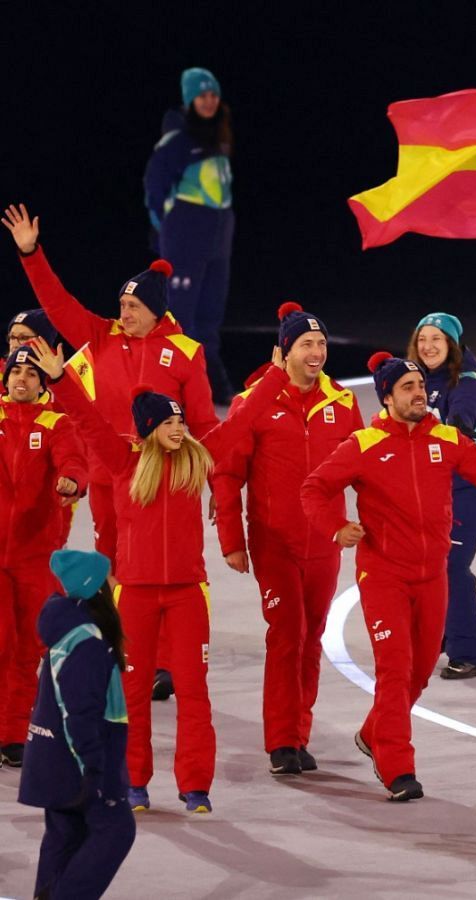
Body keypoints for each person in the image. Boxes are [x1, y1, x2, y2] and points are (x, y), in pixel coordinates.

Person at [301, 353, 476, 801]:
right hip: (384, 575)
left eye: (419, 386)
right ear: (387, 397)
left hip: (432, 576)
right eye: (407, 387)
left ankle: (375, 732)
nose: (418, 394)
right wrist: (335, 527)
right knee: (395, 671)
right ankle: (397, 768)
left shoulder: (446, 439)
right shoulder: (364, 444)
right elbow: (314, 488)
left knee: (419, 673)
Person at [35, 336, 284, 814]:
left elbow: (243, 422)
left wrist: (274, 377)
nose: (178, 428)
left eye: (181, 421)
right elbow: (86, 420)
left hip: (190, 593)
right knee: (131, 694)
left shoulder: (197, 458)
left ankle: (195, 787)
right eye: (169, 422)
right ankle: (134, 784)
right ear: (149, 428)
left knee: (194, 691)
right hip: (137, 596)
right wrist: (59, 378)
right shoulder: (123, 461)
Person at [5, 204, 218, 705]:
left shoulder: (186, 351)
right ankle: (130, 650)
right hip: (109, 471)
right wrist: (31, 254)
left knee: (168, 563)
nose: (124, 314)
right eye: (122, 305)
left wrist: (217, 481)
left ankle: (164, 661)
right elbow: (57, 307)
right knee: (119, 566)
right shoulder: (101, 338)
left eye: (133, 307)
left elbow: (205, 424)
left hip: (165, 474)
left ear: (155, 310)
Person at [211, 303, 361, 775]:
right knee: (286, 634)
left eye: (320, 344)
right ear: (284, 352)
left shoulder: (342, 402)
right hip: (274, 541)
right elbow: (227, 472)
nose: (316, 353)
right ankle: (280, 741)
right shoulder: (253, 402)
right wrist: (233, 541)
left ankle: (299, 733)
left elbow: (366, 469)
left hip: (325, 543)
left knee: (311, 637)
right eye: (306, 345)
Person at [17, 550, 135, 900]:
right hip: (76, 765)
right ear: (95, 589)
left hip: (49, 760)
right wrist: (95, 770)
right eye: (108, 579)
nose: (115, 585)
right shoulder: (87, 643)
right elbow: (78, 713)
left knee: (64, 835)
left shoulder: (68, 631)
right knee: (116, 829)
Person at [0, 346, 88, 767]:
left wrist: (71, 479)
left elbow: (73, 458)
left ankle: (13, 735)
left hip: (35, 555)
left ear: (40, 383)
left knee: (26, 647)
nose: (22, 379)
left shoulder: (56, 423)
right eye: (15, 371)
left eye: (31, 374)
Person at [406, 312, 476, 680]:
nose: (428, 346)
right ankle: (439, 636)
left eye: (437, 340)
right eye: (422, 338)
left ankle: (471, 652)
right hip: (435, 485)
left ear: (452, 346)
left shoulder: (466, 383)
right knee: (426, 561)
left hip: (470, 486)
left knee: (451, 565)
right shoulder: (417, 378)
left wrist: (454, 427)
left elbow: (465, 416)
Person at [143, 67, 235, 399]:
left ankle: (210, 382)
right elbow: (154, 191)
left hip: (218, 238)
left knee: (211, 313)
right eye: (202, 95)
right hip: (185, 237)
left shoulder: (219, 137)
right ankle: (174, 386)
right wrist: (166, 231)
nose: (209, 101)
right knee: (181, 315)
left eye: (213, 95)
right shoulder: (177, 142)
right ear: (189, 99)